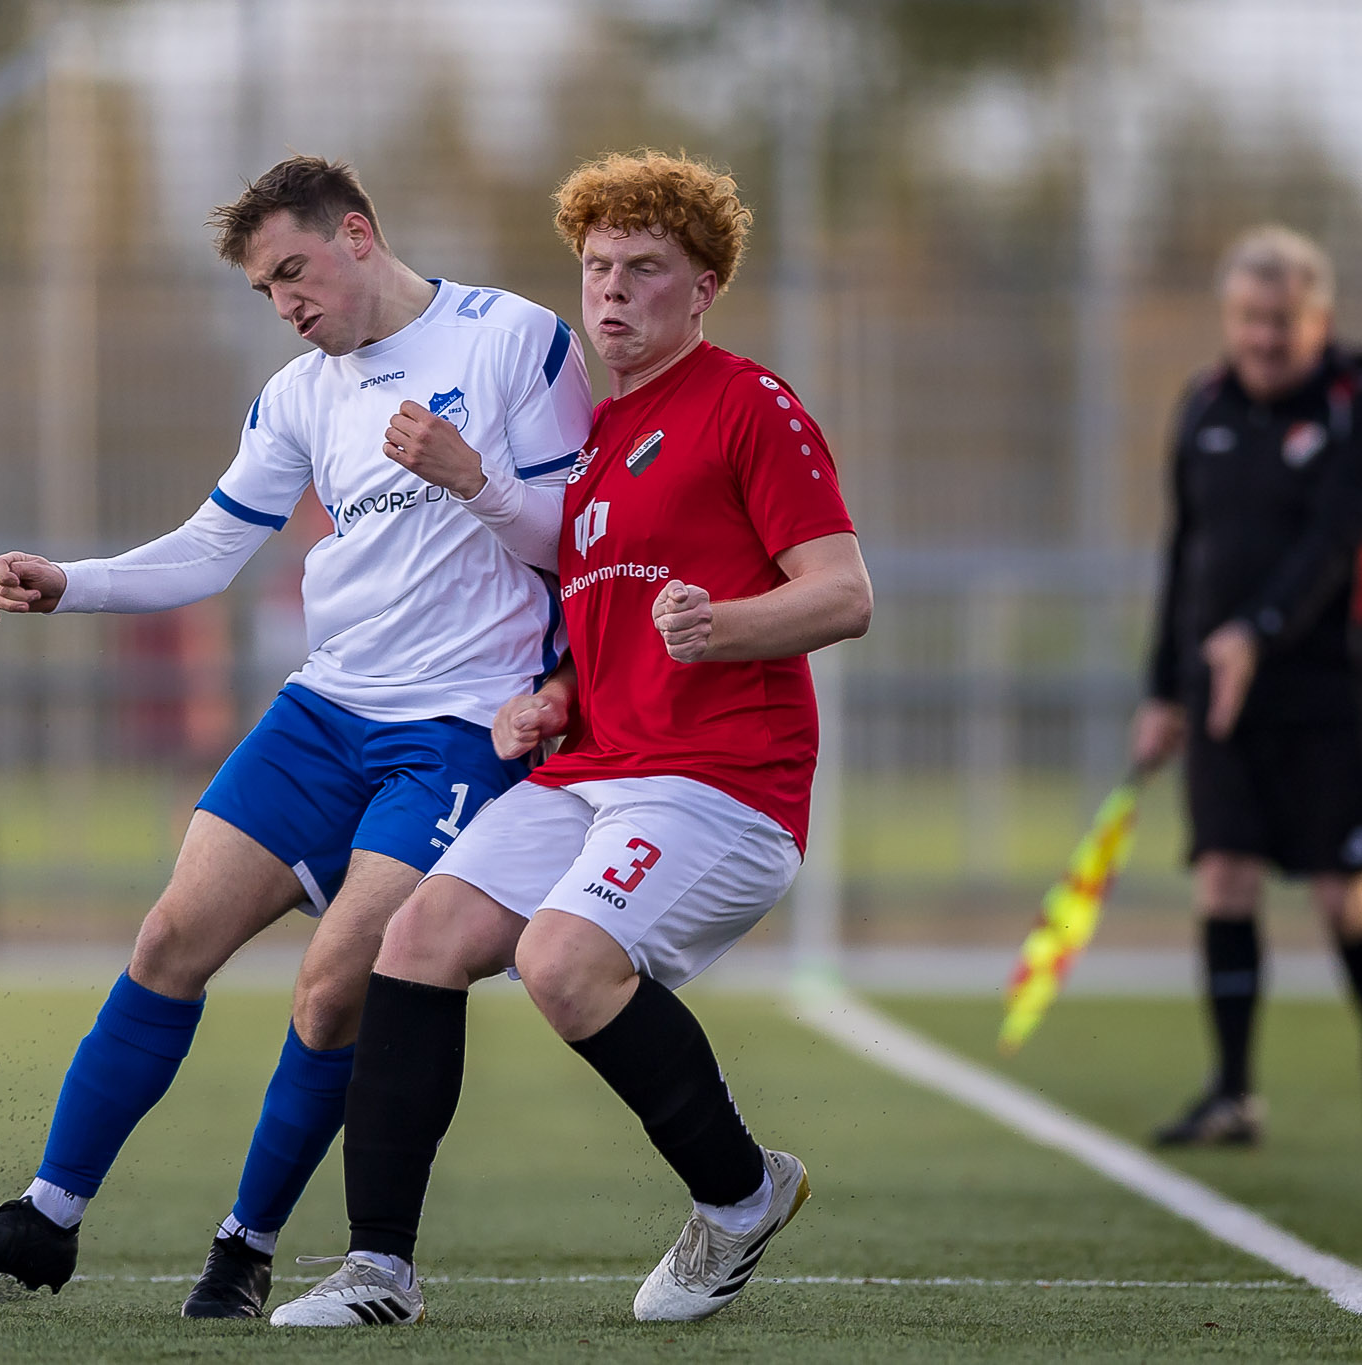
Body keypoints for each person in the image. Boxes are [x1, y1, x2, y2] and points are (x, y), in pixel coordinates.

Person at [0, 155, 593, 1315]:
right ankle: (47, 1216)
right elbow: (211, 547)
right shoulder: (300, 395)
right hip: (323, 711)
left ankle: (242, 1247)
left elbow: (580, 539)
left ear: (357, 235)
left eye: (293, 271)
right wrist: (70, 582)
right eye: (265, 289)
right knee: (169, 937)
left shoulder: (514, 341)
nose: (285, 303)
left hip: (459, 728)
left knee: (333, 989)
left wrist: (472, 480)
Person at [270, 150, 872, 1329]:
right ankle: (377, 1272)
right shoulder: (596, 438)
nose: (610, 290)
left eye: (643, 268)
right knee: (413, 939)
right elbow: (601, 621)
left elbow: (843, 594)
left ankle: (740, 1195)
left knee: (559, 959)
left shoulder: (748, 405)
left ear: (702, 289)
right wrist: (553, 696)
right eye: (596, 266)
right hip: (596, 771)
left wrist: (726, 624)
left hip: (722, 784)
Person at [1130, 225, 1362, 1147]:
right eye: (1249, 318)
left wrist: (1255, 635)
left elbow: (1336, 544)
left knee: (1344, 890)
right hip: (1216, 683)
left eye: (1282, 320)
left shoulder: (1361, 406)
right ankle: (1232, 1092)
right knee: (1222, 873)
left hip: (1328, 686)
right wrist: (1163, 688)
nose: (1263, 337)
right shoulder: (1203, 404)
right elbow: (1185, 553)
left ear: (1318, 320)